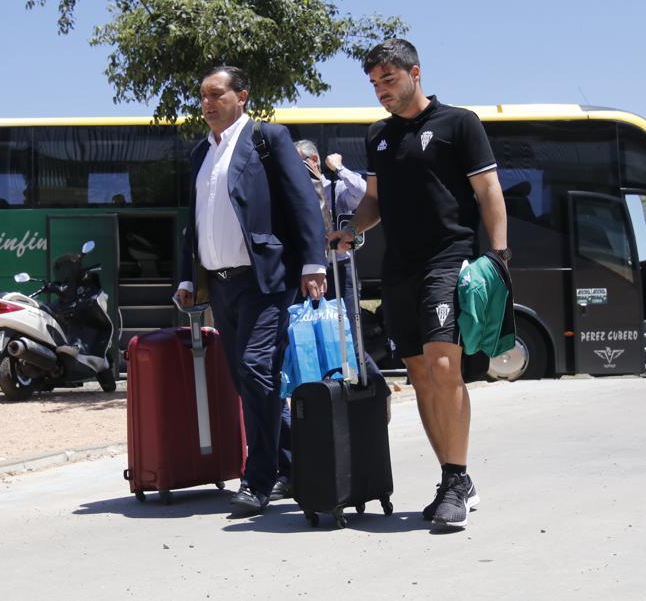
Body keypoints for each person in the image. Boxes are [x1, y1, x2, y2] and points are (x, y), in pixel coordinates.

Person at [330, 39, 509, 529]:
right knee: (420, 373)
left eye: (389, 80)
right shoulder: (378, 136)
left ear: (415, 73)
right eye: (374, 84)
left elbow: (489, 189)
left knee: (444, 364)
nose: (381, 91)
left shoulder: (459, 124)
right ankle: (454, 480)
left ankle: (456, 478)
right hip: (399, 268)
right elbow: (374, 202)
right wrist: (351, 228)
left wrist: (498, 255)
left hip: (449, 259)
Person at [174, 65, 327, 515]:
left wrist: (313, 261)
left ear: (242, 96)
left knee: (256, 369)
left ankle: (257, 480)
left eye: (216, 94)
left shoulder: (268, 139)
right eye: (202, 96)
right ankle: (291, 466)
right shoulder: (201, 153)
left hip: (266, 280)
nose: (207, 104)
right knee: (247, 381)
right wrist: (188, 277)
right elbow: (194, 222)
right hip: (220, 286)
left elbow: (302, 202)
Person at [295, 140, 367, 327]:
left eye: (298, 163)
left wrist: (339, 168)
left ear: (314, 160)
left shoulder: (335, 188)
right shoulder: (294, 195)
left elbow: (363, 194)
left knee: (349, 333)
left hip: (340, 269)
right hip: (307, 271)